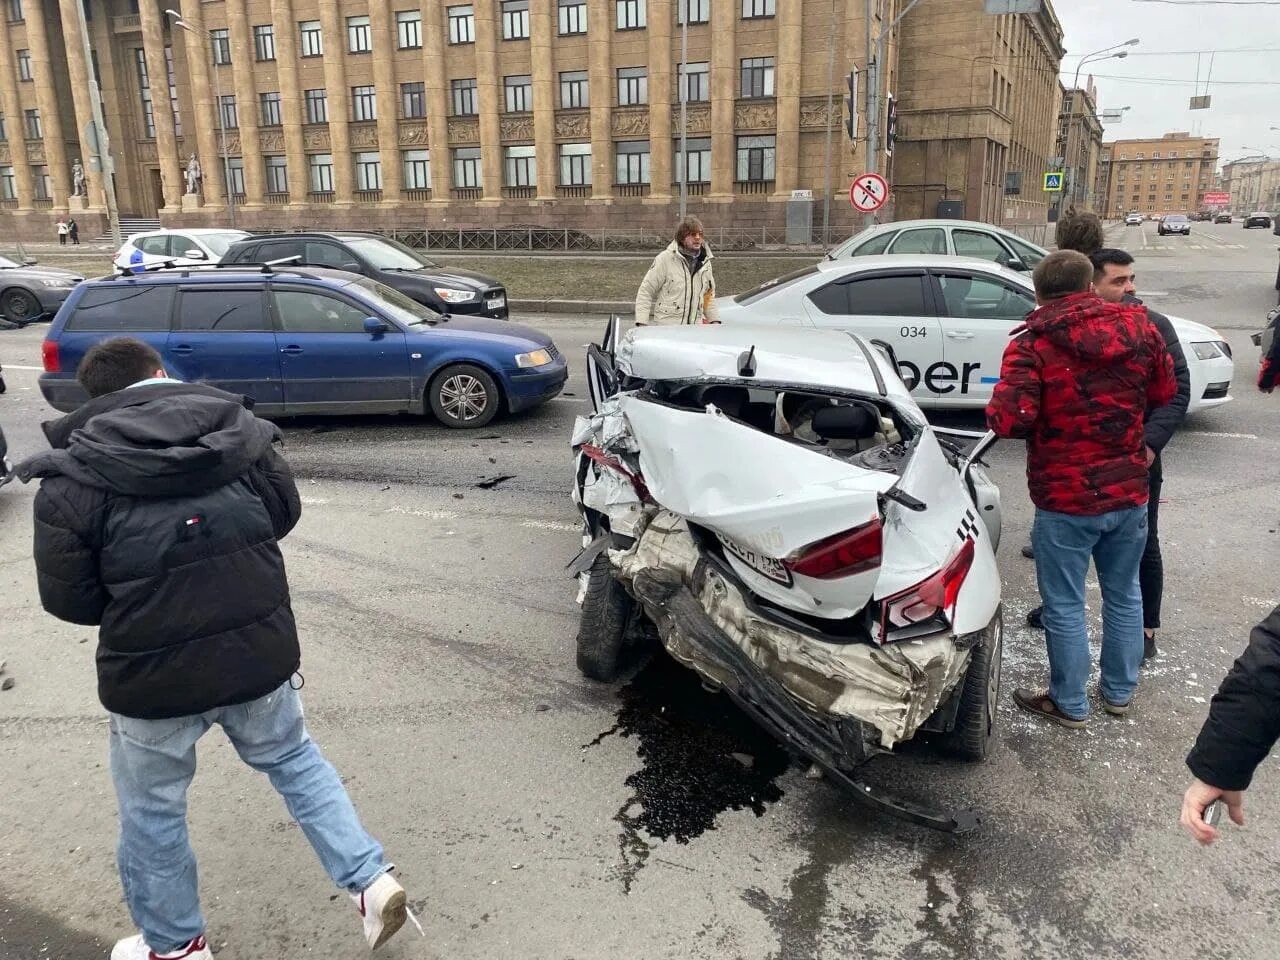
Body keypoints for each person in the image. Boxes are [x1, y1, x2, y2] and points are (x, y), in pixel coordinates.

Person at [15, 339, 416, 959]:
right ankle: (369, 882)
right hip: (257, 653)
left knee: (153, 813)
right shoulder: (242, 438)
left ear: (97, 399)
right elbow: (282, 516)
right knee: (295, 762)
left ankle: (176, 947)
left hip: (153, 678)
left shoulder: (71, 478)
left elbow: (72, 601)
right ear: (160, 374)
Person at [986, 251, 1176, 727]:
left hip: (1065, 498)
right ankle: (1118, 693)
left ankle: (1069, 702)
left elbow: (1011, 420)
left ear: (1039, 292)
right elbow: (1163, 393)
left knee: (1066, 602)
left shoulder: (1032, 345)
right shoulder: (1141, 329)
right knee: (1125, 592)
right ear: (1089, 286)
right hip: (1130, 490)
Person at [1025, 247, 1191, 662]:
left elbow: (1176, 393)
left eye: (1131, 278)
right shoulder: (1057, 331)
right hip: (1095, 474)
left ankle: (1142, 634)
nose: (1130, 287)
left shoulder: (1148, 324)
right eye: (1119, 280)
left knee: (1136, 561)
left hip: (1123, 467)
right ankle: (1115, 685)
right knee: (1095, 582)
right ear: (1090, 286)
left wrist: (1149, 443)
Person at [634, 216, 718, 326]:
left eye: (700, 234)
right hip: (668, 329)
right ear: (682, 238)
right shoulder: (665, 259)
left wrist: (714, 320)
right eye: (693, 234)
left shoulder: (705, 263)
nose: (697, 238)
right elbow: (646, 291)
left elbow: (708, 295)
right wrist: (641, 323)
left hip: (695, 330)